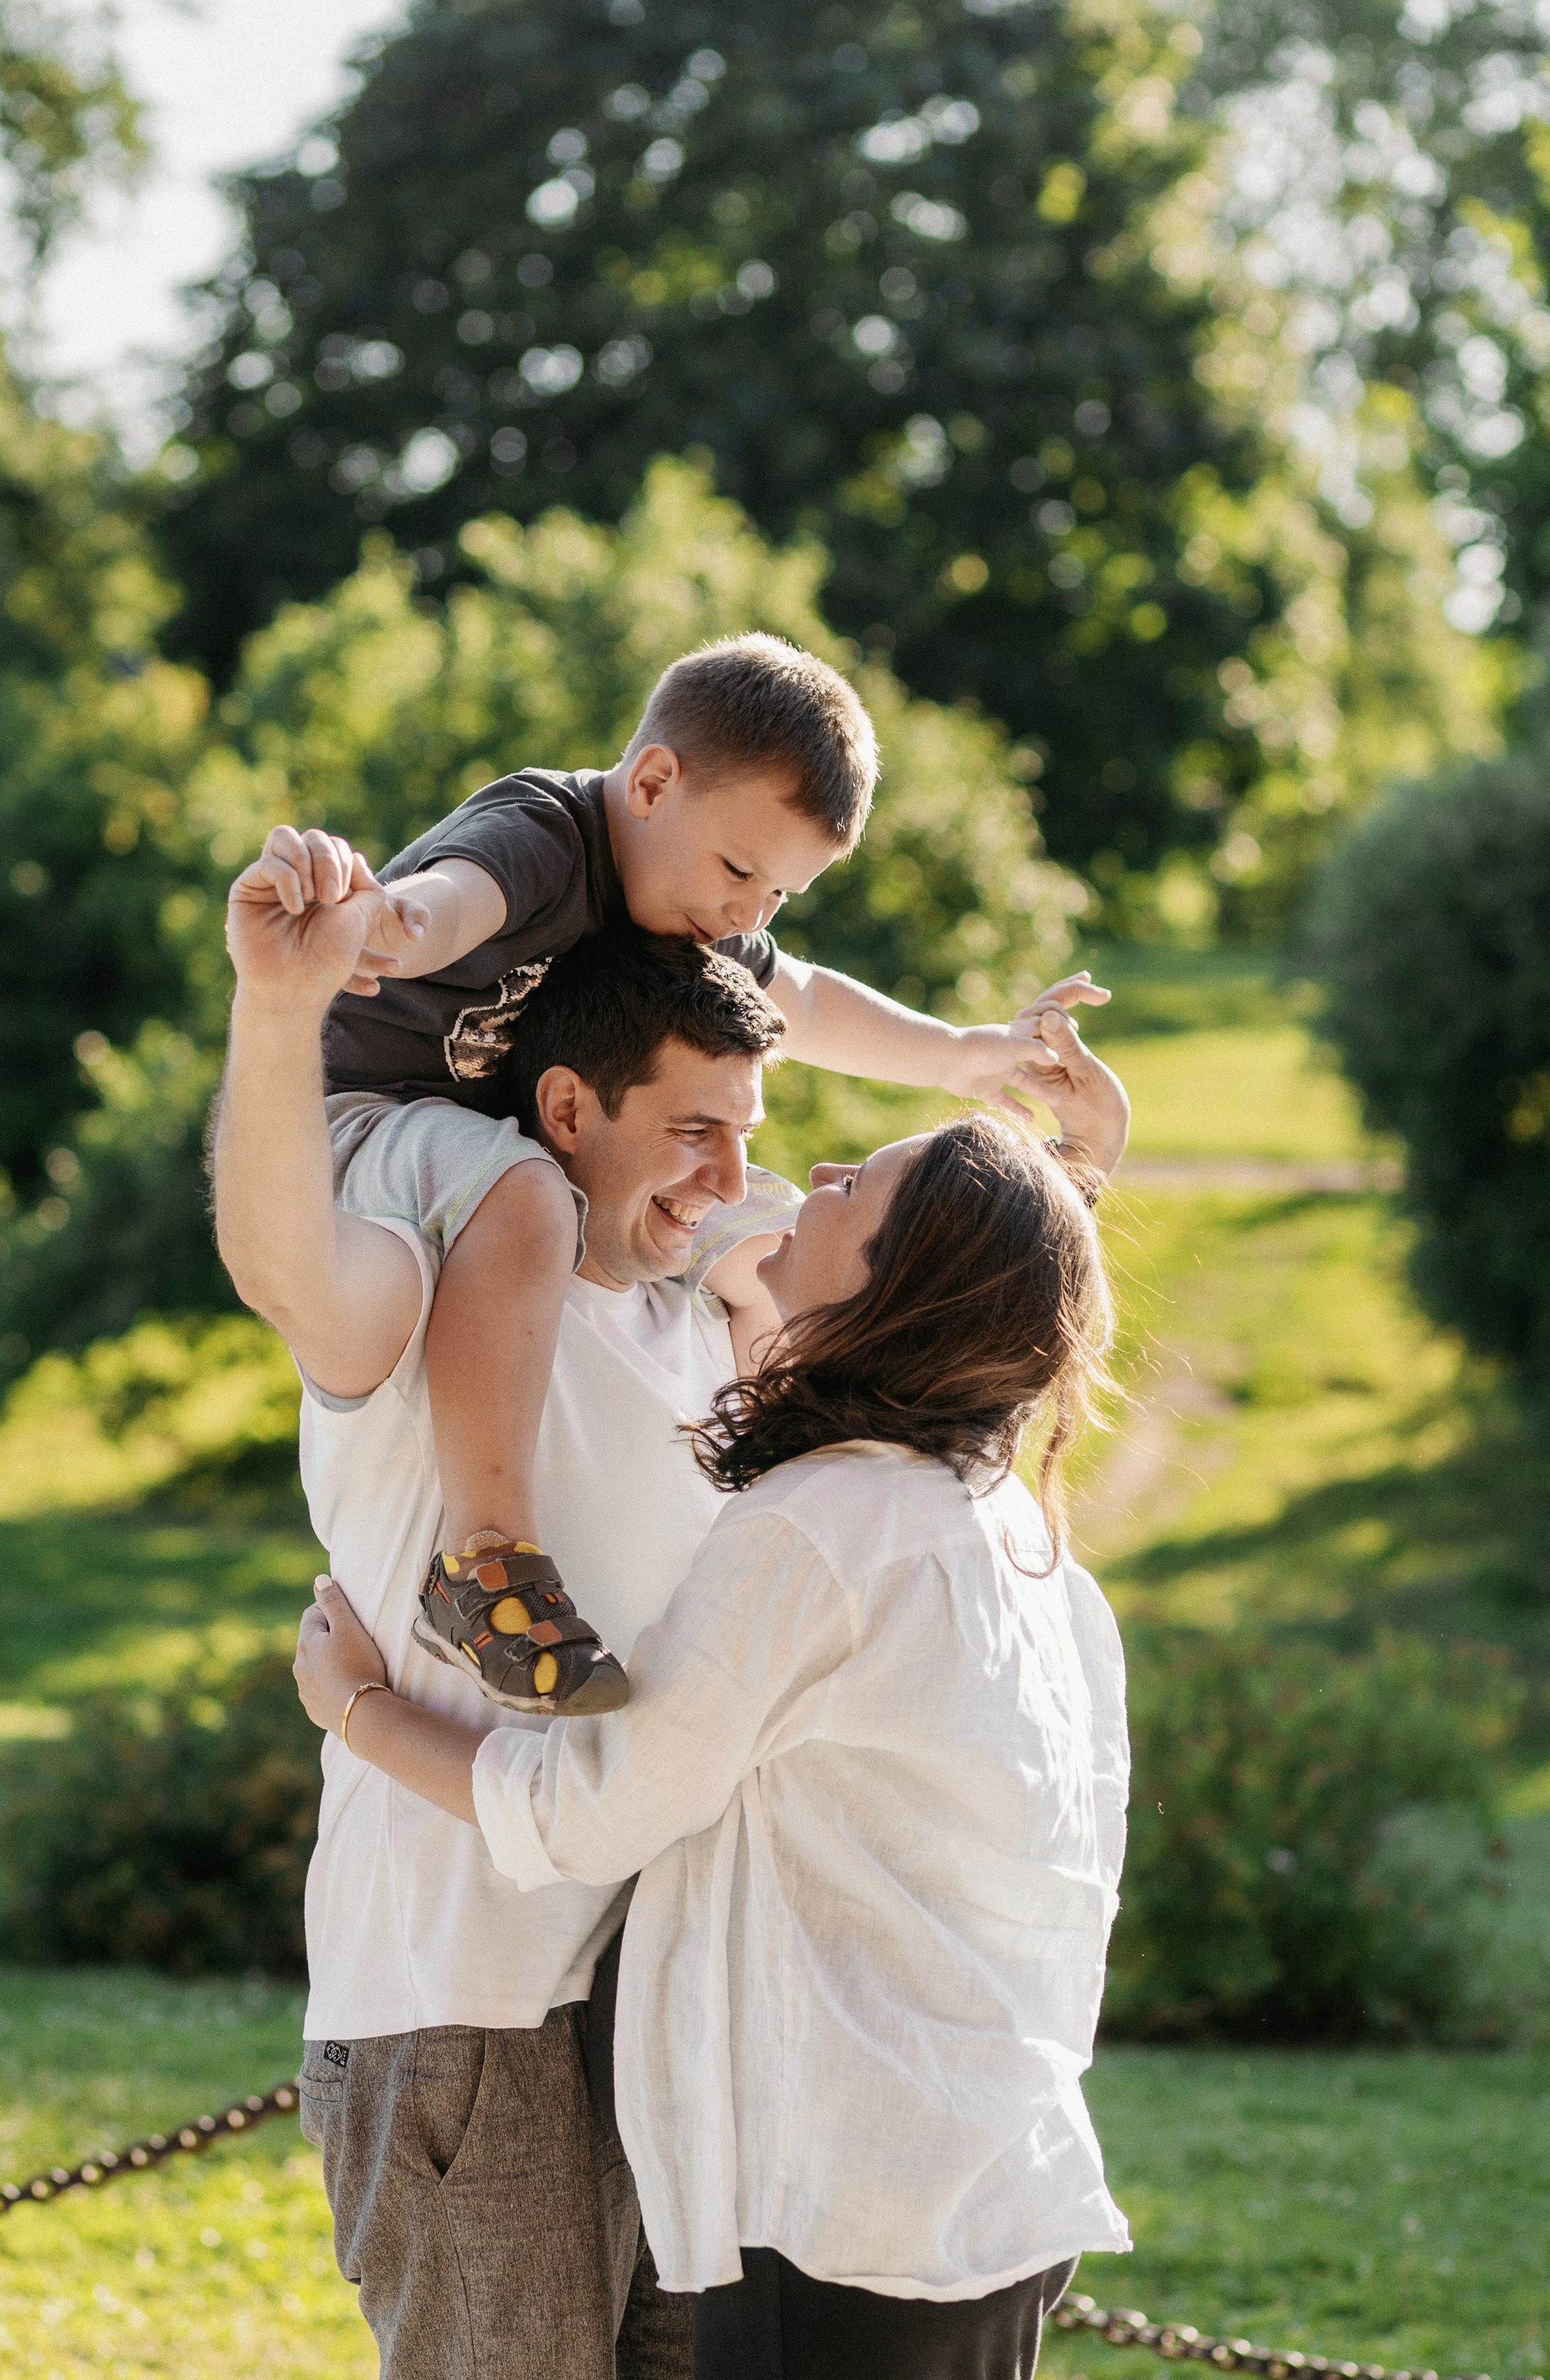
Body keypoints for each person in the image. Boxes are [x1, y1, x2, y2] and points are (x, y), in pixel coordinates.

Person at [292, 1017, 1135, 2380]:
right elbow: (970, 1274)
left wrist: (369, 1713)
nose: (790, 1178)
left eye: (850, 1185)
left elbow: (595, 1792)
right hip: (971, 2182)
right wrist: (1059, 1161)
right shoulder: (1031, 1549)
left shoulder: (820, 1522)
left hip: (831, 2192)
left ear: (891, 1290)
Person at [213, 878, 804, 2380]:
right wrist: (278, 1013)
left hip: (684, 1999)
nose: (718, 1174)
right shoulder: (446, 1261)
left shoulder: (703, 1326)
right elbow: (291, 1267)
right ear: (567, 1110)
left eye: (744, 1137)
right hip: (463, 2001)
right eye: (686, 1132)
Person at [238, 632, 1106, 1717]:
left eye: (781, 894)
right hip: (364, 1122)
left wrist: (969, 1056)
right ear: (651, 783)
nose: (749, 915)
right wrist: (381, 925)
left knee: (774, 1223)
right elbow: (456, 897)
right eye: (742, 872)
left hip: (492, 1148)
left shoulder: (693, 904)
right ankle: (484, 1560)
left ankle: (815, 1433)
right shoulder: (549, 836)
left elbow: (816, 1000)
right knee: (525, 1197)